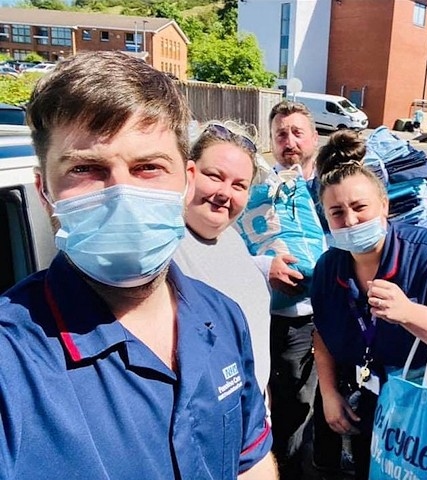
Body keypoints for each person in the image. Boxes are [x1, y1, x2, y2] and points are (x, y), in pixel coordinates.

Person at [0, 51, 276, 479]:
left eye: (148, 167)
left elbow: (250, 462)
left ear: (184, 181)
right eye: (86, 169)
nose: (121, 195)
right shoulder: (12, 360)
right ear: (44, 191)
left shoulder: (222, 316)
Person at [310, 130, 427, 480]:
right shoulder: (329, 267)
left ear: (384, 205)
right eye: (337, 212)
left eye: (360, 207)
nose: (350, 221)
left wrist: (411, 314)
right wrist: (329, 392)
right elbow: (322, 332)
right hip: (377, 403)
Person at [173, 121, 272, 396]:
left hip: (253, 416)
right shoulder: (164, 245)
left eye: (239, 185)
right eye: (215, 176)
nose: (225, 193)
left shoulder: (233, 240)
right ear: (189, 172)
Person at [253, 100, 321, 479]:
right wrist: (265, 267)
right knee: (277, 401)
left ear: (313, 137)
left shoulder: (330, 188)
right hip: (272, 316)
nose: (289, 141)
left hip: (320, 315)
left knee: (312, 400)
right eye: (281, 134)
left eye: (297, 132)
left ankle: (311, 464)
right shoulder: (260, 187)